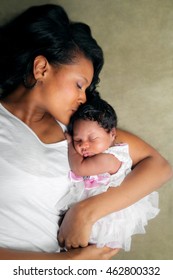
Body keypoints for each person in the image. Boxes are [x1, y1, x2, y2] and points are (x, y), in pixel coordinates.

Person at [0, 4, 172, 260]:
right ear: (41, 68)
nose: (83, 98)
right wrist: (66, 263)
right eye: (79, 85)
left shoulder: (80, 133)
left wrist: (85, 212)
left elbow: (159, 167)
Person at [58, 96, 160, 251]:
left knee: (84, 244)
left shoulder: (111, 158)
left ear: (112, 134)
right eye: (78, 139)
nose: (84, 145)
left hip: (104, 217)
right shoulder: (100, 151)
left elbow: (79, 168)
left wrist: (70, 143)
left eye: (92, 138)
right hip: (94, 209)